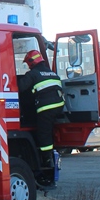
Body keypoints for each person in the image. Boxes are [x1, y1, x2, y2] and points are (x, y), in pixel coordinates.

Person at [17, 50, 65, 186]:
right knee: (49, 130)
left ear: (32, 62)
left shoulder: (33, 74)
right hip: (59, 106)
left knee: (43, 134)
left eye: (28, 64)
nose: (28, 66)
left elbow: (19, 88)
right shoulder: (52, 73)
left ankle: (47, 159)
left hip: (47, 108)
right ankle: (51, 154)